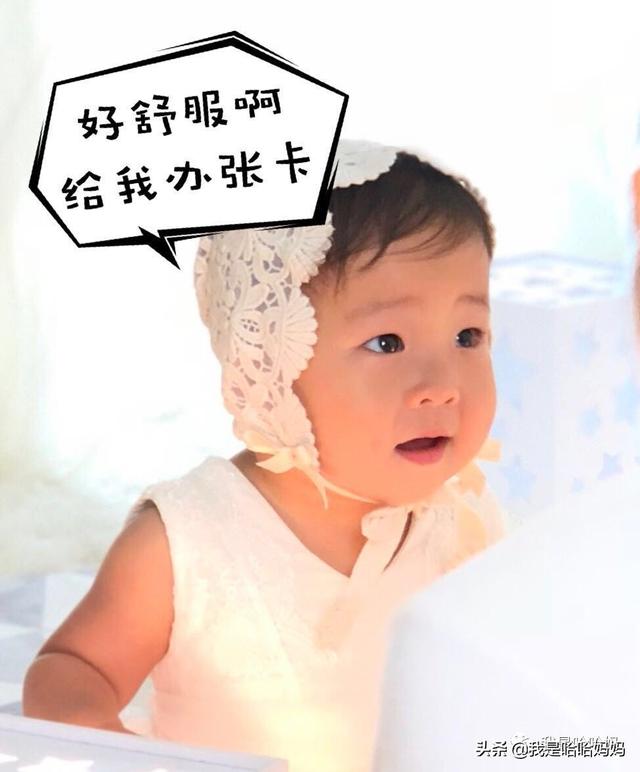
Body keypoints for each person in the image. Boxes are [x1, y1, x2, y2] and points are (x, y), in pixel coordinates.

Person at [22, 140, 511, 772]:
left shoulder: (464, 521)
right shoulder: (189, 539)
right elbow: (74, 665)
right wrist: (104, 736)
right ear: (268, 359)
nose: (442, 384)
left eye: (468, 335)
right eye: (387, 342)